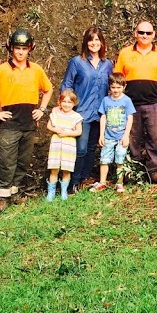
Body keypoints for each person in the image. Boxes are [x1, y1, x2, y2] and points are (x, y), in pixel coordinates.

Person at [0, 28, 53, 212]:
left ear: (30, 49)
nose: (20, 52)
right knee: (7, 160)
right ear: (10, 48)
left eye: (24, 48)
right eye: (17, 48)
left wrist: (42, 109)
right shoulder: (1, 70)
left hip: (29, 122)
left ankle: (15, 191)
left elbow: (48, 89)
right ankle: (2, 196)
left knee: (23, 160)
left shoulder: (36, 70)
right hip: (10, 123)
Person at [113, 20, 157, 183]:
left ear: (153, 35)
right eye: (141, 32)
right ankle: (136, 170)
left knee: (156, 137)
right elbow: (117, 78)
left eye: (148, 33)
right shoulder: (125, 53)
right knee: (132, 137)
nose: (144, 36)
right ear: (135, 34)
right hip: (131, 104)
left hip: (155, 103)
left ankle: (155, 171)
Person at [60, 26, 113, 193]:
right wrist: (65, 108)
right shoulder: (77, 62)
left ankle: (85, 178)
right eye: (91, 39)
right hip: (81, 113)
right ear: (85, 42)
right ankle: (72, 182)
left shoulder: (107, 64)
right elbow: (67, 85)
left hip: (100, 113)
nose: (94, 43)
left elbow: (112, 87)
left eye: (97, 39)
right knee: (81, 149)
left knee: (92, 147)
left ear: (102, 43)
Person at [91, 72, 135, 193]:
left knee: (120, 160)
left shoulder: (127, 101)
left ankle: (119, 183)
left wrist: (126, 135)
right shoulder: (106, 100)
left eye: (118, 87)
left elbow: (129, 118)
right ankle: (102, 182)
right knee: (104, 159)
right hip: (108, 136)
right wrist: (101, 135)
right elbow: (103, 117)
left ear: (124, 87)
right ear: (109, 87)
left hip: (121, 137)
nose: (116, 90)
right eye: (113, 87)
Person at [45, 90, 83, 201]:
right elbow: (49, 126)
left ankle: (64, 192)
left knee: (67, 169)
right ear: (60, 102)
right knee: (54, 168)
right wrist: (56, 129)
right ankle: (51, 192)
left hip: (69, 144)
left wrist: (67, 133)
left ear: (74, 103)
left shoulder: (76, 116)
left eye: (69, 102)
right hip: (56, 143)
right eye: (64, 101)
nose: (66, 104)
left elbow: (78, 131)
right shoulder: (56, 113)